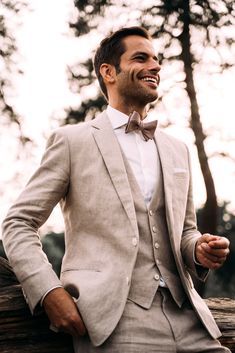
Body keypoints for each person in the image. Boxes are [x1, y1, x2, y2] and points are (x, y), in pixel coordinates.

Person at [2, 26, 231, 353]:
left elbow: (185, 232)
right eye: (141, 58)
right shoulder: (72, 141)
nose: (155, 66)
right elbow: (17, 223)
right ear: (108, 72)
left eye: (157, 60)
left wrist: (198, 249)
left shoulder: (177, 149)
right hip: (114, 324)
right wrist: (49, 291)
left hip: (190, 319)